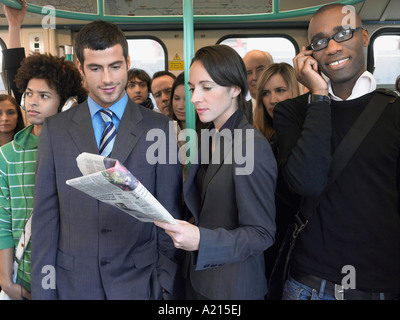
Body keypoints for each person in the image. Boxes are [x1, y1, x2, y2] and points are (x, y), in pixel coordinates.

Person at [30, 20, 183, 300]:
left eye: (115, 66)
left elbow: (169, 213)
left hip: (140, 282)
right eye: (95, 68)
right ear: (80, 67)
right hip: (73, 282)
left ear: (127, 62)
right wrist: (44, 290)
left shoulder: (159, 128)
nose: (107, 80)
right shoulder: (55, 130)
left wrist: (164, 281)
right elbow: (45, 218)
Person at [274, 3, 400, 300]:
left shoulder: (394, 112)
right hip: (309, 283)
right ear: (309, 54)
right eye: (319, 41)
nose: (331, 48)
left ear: (365, 37)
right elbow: (308, 181)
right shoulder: (292, 113)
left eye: (342, 34)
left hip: (380, 285)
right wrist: (318, 94)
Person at [155, 44, 277, 300]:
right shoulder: (209, 135)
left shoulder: (251, 146)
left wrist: (201, 240)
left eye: (206, 87)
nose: (194, 98)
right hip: (198, 279)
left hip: (231, 288)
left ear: (235, 89)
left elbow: (261, 234)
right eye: (192, 88)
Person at [0, 1, 87, 300]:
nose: (32, 102)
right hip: (22, 273)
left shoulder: (79, 149)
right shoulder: (8, 154)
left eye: (44, 96)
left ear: (65, 104)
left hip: (68, 274)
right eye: (29, 94)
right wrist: (5, 281)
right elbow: (2, 219)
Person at [252, 63, 302, 282]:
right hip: (265, 235)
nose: (272, 100)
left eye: (280, 90)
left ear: (295, 91)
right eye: (266, 93)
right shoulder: (259, 138)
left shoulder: (306, 136)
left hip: (295, 239)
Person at [242, 49, 274, 123]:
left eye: (260, 70)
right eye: (248, 73)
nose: (254, 77)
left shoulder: (287, 108)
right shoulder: (238, 114)